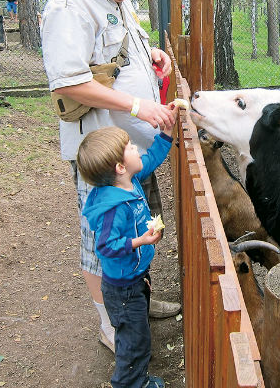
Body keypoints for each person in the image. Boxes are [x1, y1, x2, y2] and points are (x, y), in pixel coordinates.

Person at [40, 0, 180, 353]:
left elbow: (122, 47)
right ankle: (111, 322)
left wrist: (150, 55)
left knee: (139, 221)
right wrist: (139, 106)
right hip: (101, 152)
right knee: (101, 238)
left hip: (130, 149)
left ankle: (136, 300)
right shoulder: (69, 6)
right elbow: (67, 82)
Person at [79, 124, 175, 388]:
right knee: (133, 343)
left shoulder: (128, 181)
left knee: (138, 335)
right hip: (123, 290)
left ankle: (138, 379)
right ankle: (129, 384)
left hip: (135, 278)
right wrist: (140, 241)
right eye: (130, 147)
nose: (136, 148)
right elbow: (106, 247)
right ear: (120, 167)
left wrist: (166, 134)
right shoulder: (114, 208)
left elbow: (151, 159)